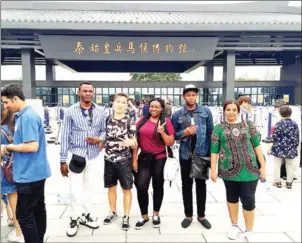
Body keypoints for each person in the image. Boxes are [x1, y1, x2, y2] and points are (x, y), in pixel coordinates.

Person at [1, 84, 51, 243]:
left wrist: (8, 147)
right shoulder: (25, 115)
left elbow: (32, 145)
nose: (5, 106)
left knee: (23, 215)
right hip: (36, 172)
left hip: (29, 174)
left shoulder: (27, 117)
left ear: (15, 98)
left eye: (6, 102)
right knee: (38, 210)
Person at [210, 100, 266, 242]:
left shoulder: (248, 126)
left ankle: (249, 229)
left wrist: (263, 166)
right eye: (228, 109)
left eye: (234, 110)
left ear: (238, 111)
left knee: (248, 199)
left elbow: (257, 146)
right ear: (224, 111)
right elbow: (214, 151)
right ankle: (234, 226)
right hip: (228, 170)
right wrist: (213, 170)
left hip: (250, 169)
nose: (231, 112)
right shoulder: (218, 128)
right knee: (232, 198)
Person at [59, 82, 107, 237]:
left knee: (90, 187)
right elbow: (65, 135)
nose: (88, 93)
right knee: (75, 189)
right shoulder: (70, 111)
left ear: (94, 93)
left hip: (94, 155)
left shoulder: (101, 111)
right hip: (77, 155)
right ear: (78, 92)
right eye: (85, 91)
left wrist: (99, 139)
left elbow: (105, 131)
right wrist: (62, 160)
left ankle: (87, 215)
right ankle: (74, 218)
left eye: (90, 91)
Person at [172, 84, 213, 229]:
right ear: (184, 97)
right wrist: (185, 133)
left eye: (193, 95)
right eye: (188, 95)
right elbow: (173, 135)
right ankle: (188, 215)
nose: (191, 97)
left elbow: (211, 133)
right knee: (186, 185)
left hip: (202, 154)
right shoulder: (178, 114)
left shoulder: (205, 111)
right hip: (185, 155)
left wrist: (212, 155)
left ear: (196, 96)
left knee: (201, 185)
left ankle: (201, 215)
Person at [134, 98, 174, 229]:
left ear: (162, 108)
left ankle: (156, 214)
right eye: (151, 106)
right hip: (144, 157)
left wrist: (162, 132)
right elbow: (136, 142)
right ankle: (144, 215)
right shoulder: (142, 121)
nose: (154, 109)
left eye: (157, 107)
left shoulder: (166, 122)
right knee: (141, 186)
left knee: (158, 185)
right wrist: (134, 159)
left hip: (159, 158)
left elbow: (170, 142)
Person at [102, 93, 137, 231]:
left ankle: (126, 216)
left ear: (127, 105)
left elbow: (134, 142)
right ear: (113, 103)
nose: (121, 104)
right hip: (108, 159)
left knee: (126, 188)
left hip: (123, 161)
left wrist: (131, 142)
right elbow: (104, 137)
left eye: (124, 102)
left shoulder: (129, 121)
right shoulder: (108, 119)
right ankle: (112, 212)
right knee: (111, 187)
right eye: (118, 102)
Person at [1, 105, 23, 242]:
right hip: (12, 171)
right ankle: (17, 229)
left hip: (2, 171)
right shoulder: (14, 127)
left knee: (10, 200)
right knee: (14, 200)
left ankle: (16, 227)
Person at [271, 106, 300, 189]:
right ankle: (289, 183)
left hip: (278, 147)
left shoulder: (278, 124)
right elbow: (297, 137)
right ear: (290, 113)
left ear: (280, 114)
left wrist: (273, 144)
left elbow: (274, 136)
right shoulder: (294, 124)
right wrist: (295, 146)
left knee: (277, 165)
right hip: (290, 148)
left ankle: (277, 182)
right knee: (290, 165)